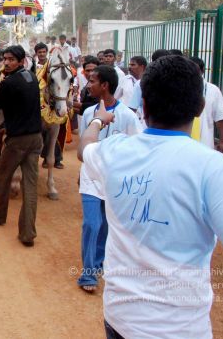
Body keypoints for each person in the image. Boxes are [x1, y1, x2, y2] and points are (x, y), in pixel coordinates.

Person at [78, 55, 223, 338]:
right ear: (200, 108)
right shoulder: (212, 168)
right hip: (178, 329)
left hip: (119, 318)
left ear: (145, 105)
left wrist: (99, 122)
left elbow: (85, 148)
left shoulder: (114, 152)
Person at [77, 65, 141, 293]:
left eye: (92, 81)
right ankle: (89, 274)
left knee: (106, 226)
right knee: (91, 224)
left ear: (104, 85)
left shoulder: (128, 117)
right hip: (90, 179)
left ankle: (98, 263)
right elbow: (83, 147)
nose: (88, 85)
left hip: (114, 182)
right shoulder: (87, 114)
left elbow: (137, 149)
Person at [0, 45, 43, 247]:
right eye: (5, 59)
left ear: (21, 61)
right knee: (30, 187)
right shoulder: (31, 78)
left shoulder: (9, 82)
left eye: (11, 59)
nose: (6, 62)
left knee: (1, 179)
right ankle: (28, 234)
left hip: (18, 141)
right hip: (36, 138)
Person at [190, 57, 223, 152]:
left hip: (205, 143)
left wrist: (222, 141)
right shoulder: (181, 87)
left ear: (203, 71)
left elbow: (220, 117)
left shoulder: (213, 90)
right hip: (184, 142)